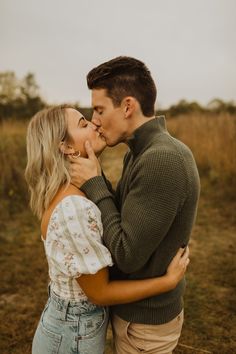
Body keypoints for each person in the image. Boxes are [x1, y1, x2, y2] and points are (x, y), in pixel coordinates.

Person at [25, 105, 190, 354]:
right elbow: (100, 293)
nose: (94, 123)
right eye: (83, 123)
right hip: (72, 336)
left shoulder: (77, 192)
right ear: (66, 147)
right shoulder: (74, 208)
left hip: (73, 329)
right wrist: (167, 282)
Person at [69, 56, 200, 353]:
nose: (95, 120)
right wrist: (96, 176)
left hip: (145, 326)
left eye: (100, 109)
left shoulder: (162, 159)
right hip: (135, 316)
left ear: (127, 106)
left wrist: (95, 184)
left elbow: (126, 254)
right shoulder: (140, 152)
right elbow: (123, 217)